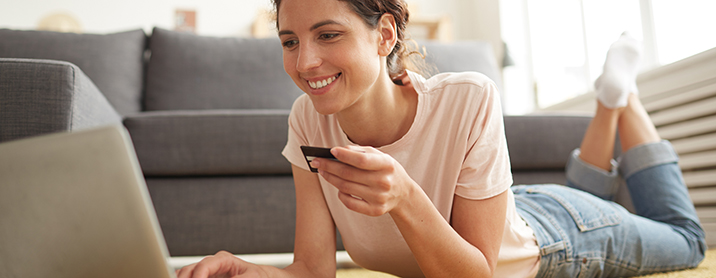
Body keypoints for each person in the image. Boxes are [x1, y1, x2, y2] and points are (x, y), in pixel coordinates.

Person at [175, 0, 707, 277]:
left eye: (328, 34)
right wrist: (250, 272)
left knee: (686, 241)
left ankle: (620, 99)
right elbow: (313, 272)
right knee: (596, 198)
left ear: (384, 35)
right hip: (507, 211)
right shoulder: (307, 118)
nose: (304, 62)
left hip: (558, 240)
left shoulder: (469, 97)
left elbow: (478, 274)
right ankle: (612, 103)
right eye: (290, 41)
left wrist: (405, 197)